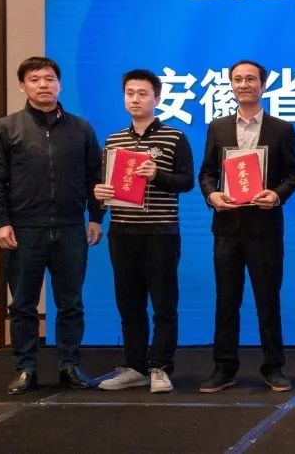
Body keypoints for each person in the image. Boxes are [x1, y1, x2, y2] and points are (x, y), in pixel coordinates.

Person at [0, 56, 104, 395]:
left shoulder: (81, 129)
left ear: (59, 84)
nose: (43, 85)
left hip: (70, 228)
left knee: (70, 303)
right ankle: (26, 368)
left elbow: (96, 177)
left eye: (49, 78)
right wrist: (0, 222)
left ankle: (69, 365)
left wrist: (96, 217)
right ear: (23, 86)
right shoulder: (6, 129)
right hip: (23, 229)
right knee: (22, 304)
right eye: (34, 79)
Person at [197, 60, 295, 393]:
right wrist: (212, 195)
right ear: (231, 85)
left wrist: (277, 195)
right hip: (226, 228)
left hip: (265, 228)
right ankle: (223, 367)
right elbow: (207, 173)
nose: (244, 84)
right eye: (238, 79)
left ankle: (274, 367)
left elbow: (293, 175)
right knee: (226, 301)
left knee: (268, 300)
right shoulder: (218, 127)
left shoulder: (281, 129)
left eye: (251, 79)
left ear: (263, 85)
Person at [94, 69, 194, 393]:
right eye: (130, 93)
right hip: (122, 232)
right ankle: (135, 366)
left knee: (164, 303)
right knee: (129, 304)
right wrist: (99, 194)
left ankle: (160, 367)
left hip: (160, 233)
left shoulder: (174, 137)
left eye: (142, 93)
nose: (135, 99)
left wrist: (157, 175)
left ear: (157, 98)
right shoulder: (114, 140)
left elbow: (187, 182)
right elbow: (104, 185)